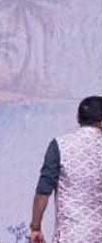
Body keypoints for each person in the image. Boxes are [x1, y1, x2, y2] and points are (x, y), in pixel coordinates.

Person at [29, 95, 102, 243]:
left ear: (78, 118)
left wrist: (36, 227)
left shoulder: (60, 145)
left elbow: (43, 191)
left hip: (70, 235)